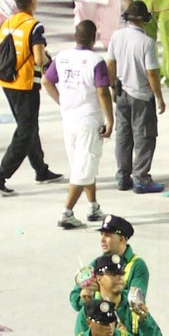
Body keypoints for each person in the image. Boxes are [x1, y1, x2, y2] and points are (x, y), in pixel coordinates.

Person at [44, 16, 114, 227]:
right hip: (88, 121)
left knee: (82, 163)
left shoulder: (62, 57)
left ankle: (93, 206)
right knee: (83, 167)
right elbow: (102, 92)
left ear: (75, 37)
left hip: (69, 120)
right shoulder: (96, 62)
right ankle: (67, 213)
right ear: (94, 38)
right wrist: (110, 119)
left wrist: (62, 102)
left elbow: (47, 81)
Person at [0, 0, 58, 196]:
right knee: (25, 132)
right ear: (32, 3)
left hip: (6, 81)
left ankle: (41, 170)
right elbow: (38, 59)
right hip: (25, 84)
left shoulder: (6, 23)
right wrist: (50, 61)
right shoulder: (34, 27)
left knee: (28, 126)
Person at [107, 0, 166, 196]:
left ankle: (123, 176)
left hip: (121, 92)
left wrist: (113, 87)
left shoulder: (117, 36)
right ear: (145, 19)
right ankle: (141, 178)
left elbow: (111, 64)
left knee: (123, 136)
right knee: (144, 136)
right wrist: (159, 97)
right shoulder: (147, 43)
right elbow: (152, 74)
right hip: (141, 96)